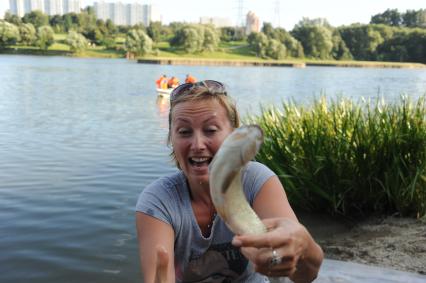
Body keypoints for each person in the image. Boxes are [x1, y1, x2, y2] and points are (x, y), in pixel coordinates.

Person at [136, 80, 324, 283]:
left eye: (210, 130)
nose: (198, 144)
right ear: (171, 138)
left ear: (233, 135)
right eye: (184, 132)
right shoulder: (158, 201)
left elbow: (306, 275)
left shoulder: (257, 181)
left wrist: (302, 249)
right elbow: (158, 277)